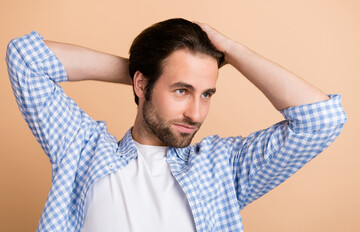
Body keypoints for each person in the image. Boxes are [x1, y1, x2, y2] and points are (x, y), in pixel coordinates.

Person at [6, 18, 346, 232]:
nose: (196, 114)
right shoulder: (81, 150)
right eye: (182, 90)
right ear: (141, 85)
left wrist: (234, 51)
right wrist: (143, 70)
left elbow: (322, 120)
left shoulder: (222, 169)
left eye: (207, 94)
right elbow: (25, 58)